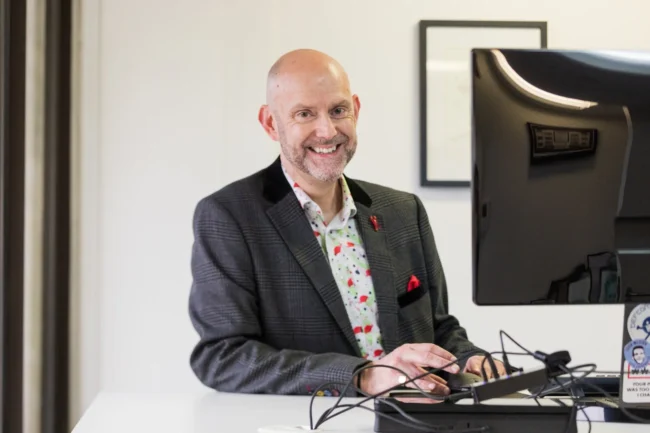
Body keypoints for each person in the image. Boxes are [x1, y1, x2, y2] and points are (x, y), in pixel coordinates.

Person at [188, 48, 505, 398]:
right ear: (270, 123)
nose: (327, 131)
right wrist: (361, 377)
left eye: (338, 110)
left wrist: (470, 359)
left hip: (414, 416)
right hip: (307, 420)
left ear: (356, 110)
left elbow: (440, 329)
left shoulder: (404, 211)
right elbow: (223, 357)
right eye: (305, 114)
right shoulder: (229, 217)